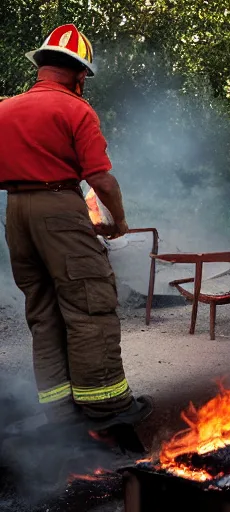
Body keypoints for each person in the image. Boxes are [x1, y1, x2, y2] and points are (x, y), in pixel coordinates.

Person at [0, 24, 152, 440]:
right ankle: (107, 408)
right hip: (60, 207)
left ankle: (60, 415)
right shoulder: (75, 110)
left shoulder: (3, 109)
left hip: (16, 214)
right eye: (84, 75)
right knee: (89, 302)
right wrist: (119, 223)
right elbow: (101, 180)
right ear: (78, 73)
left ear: (43, 66)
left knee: (43, 311)